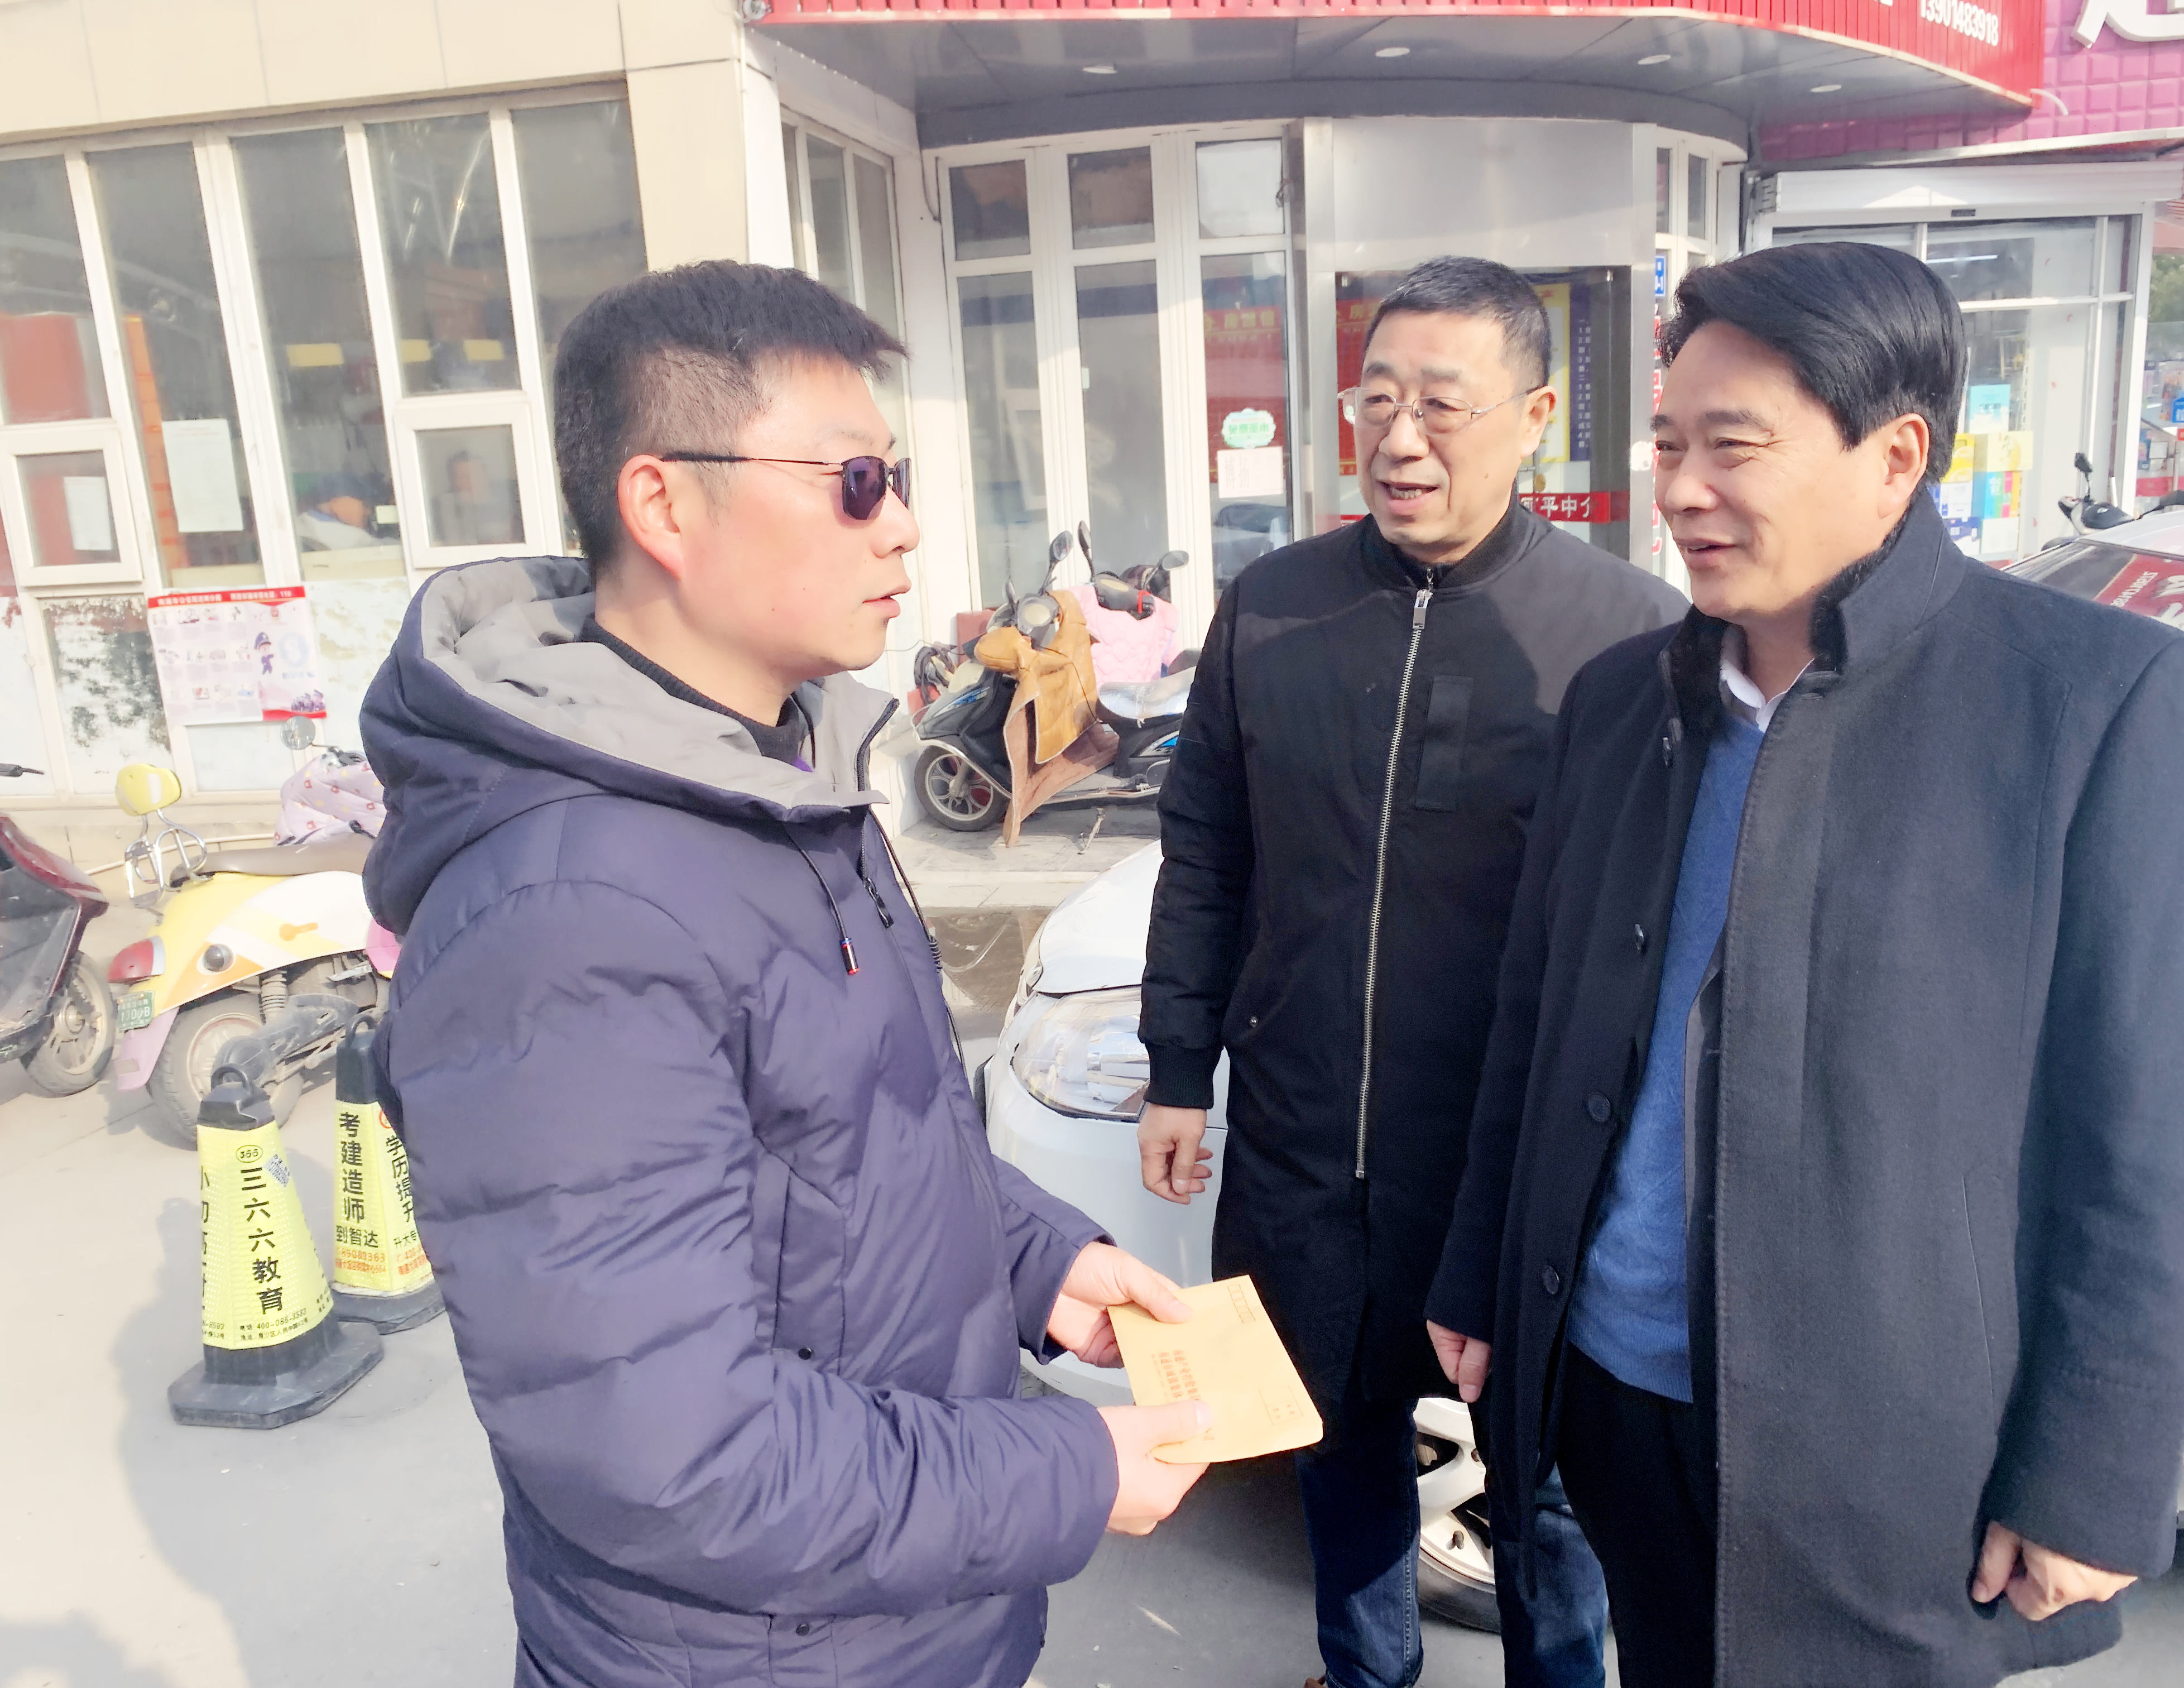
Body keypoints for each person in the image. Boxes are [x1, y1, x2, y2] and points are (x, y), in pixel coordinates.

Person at [361, 261, 1212, 1688]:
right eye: (855, 483)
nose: (906, 525)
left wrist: (1039, 1260)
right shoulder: (573, 911)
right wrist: (1067, 1472)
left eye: (898, 478)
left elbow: (846, 1148)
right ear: (662, 504)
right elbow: (671, 1454)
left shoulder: (769, 778)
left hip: (895, 1614)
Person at [1425, 241, 2184, 1688]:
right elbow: (1536, 1018)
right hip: (1616, 1395)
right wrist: (1482, 1272)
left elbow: (2156, 1136)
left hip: (1894, 1462)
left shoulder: (2098, 701)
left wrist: (2096, 1473)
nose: (1682, 490)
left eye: (1733, 447)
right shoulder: (1627, 699)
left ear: (1897, 457)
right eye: (1667, 444)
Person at [1137, 255, 1683, 1688]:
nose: (1400, 440)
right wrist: (1180, 1067)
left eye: (1443, 404)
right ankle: (1364, 1672)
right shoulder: (1273, 606)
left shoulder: (1625, 636)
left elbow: (1646, 933)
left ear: (1537, 418)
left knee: (1538, 1480)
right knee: (1331, 1434)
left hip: (1506, 1160)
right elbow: (1205, 847)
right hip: (1304, 1136)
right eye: (1376, 401)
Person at [294, 471, 383, 550]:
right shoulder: (355, 539)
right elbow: (383, 550)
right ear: (336, 502)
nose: (368, 512)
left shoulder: (300, 525)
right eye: (365, 505)